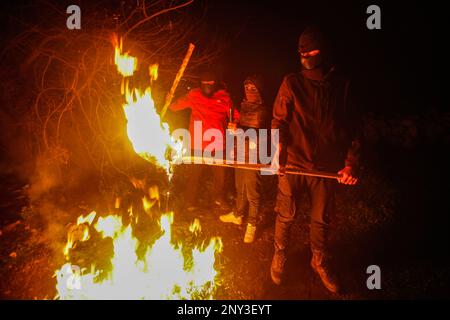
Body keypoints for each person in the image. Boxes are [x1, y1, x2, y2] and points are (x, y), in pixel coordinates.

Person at [270, 27, 361, 293]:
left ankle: (319, 261)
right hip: (293, 163)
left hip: (325, 167)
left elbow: (353, 128)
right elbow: (279, 121)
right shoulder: (292, 83)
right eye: (301, 51)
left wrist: (351, 162)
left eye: (311, 50)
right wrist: (277, 153)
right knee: (285, 214)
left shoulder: (341, 86)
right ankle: (280, 255)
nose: (305, 55)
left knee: (321, 219)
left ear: (323, 51)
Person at [170, 69, 239, 211]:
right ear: (200, 84)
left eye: (211, 83)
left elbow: (236, 115)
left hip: (218, 144)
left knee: (220, 176)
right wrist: (169, 98)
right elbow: (175, 106)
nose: (207, 86)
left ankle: (218, 198)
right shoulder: (194, 95)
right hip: (197, 144)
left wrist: (235, 123)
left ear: (216, 84)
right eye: (205, 83)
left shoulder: (224, 97)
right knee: (194, 175)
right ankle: (189, 201)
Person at [219, 75, 271, 243]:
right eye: (247, 88)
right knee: (239, 187)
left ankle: (252, 224)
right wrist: (235, 132)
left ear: (260, 91)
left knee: (253, 192)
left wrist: (239, 130)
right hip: (240, 152)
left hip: (254, 156)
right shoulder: (244, 106)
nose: (249, 91)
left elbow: (261, 135)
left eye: (253, 88)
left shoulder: (263, 110)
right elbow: (242, 130)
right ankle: (238, 214)